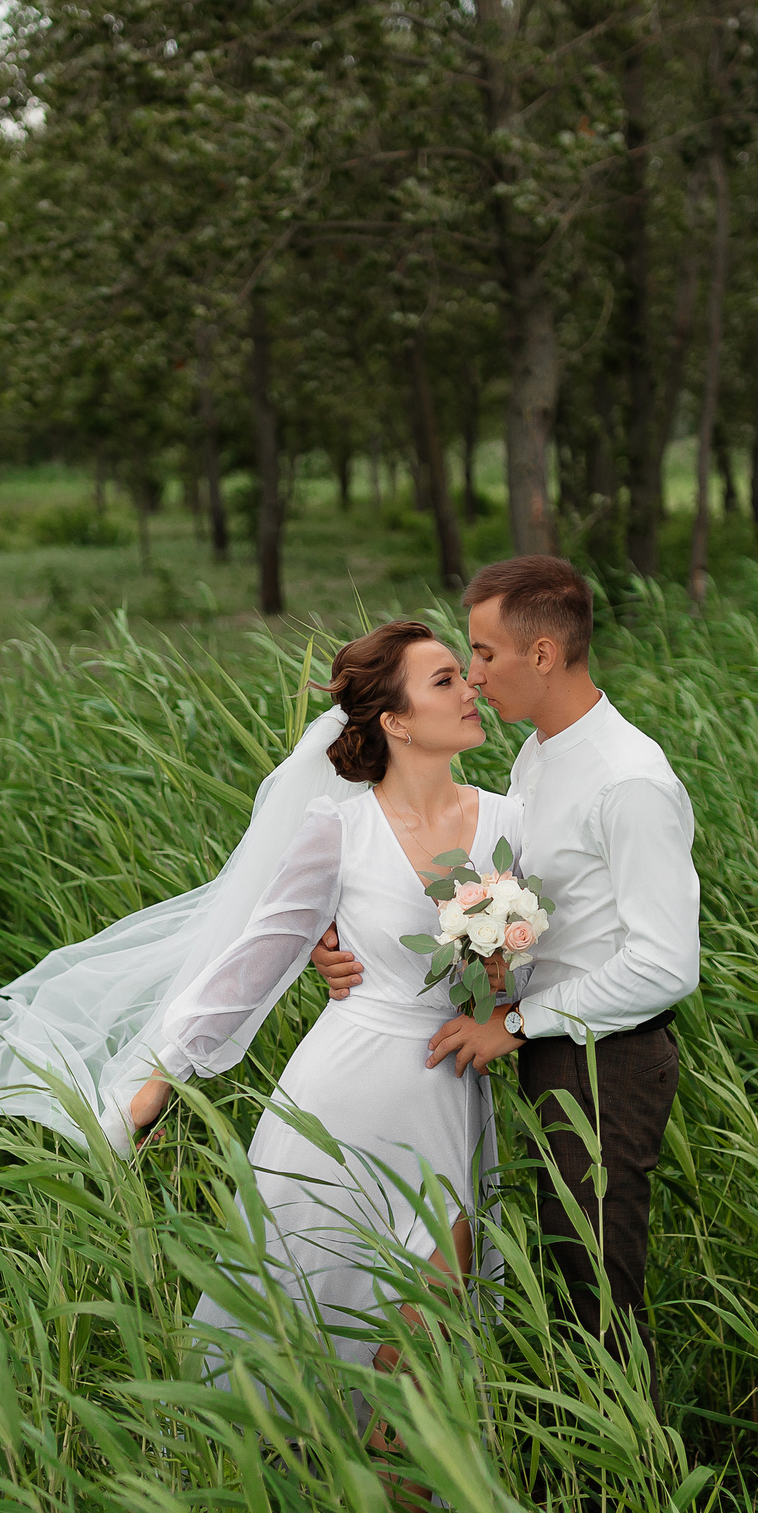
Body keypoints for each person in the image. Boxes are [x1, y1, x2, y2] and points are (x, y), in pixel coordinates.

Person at [0, 619, 521, 1378]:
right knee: (305, 1343)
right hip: (338, 1105)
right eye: (444, 679)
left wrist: (507, 1004)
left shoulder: (510, 820)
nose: (471, 687)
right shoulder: (340, 829)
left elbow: (561, 951)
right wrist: (160, 1080)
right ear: (396, 721)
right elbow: (253, 958)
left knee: (423, 1356)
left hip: (449, 1101)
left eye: (462, 673)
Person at [311, 555, 700, 1372]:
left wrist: (517, 1020)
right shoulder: (538, 756)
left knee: (600, 1300)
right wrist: (347, 932)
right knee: (570, 1281)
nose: (475, 675)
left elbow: (666, 965)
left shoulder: (629, 780)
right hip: (554, 1047)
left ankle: (634, 1454)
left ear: (544, 654)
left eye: (485, 653)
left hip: (610, 1061)